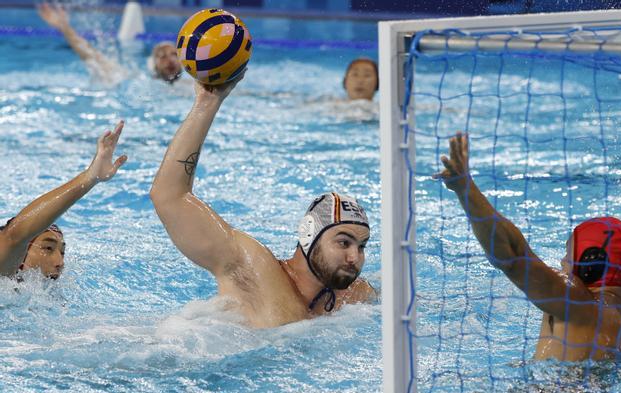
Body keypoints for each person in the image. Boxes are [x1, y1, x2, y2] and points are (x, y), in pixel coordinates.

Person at [150, 77, 375, 328]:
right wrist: (207, 104)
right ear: (308, 234)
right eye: (343, 242)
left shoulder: (354, 295)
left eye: (362, 246)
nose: (354, 257)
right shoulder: (253, 267)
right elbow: (168, 196)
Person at [435, 131, 621, 361]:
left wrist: (465, 189)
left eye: (568, 254)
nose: (562, 262)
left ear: (591, 262)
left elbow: (512, 257)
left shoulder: (573, 299)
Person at [0, 121, 127, 280]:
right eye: (47, 248)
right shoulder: (5, 281)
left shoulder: (51, 297)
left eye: (62, 252)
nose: (59, 263)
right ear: (20, 253)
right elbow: (14, 235)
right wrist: (89, 178)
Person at [37, 3, 182, 84]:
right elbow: (91, 55)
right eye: (162, 56)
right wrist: (64, 27)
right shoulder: (137, 81)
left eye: (174, 54)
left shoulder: (192, 88)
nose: (170, 60)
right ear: (154, 65)